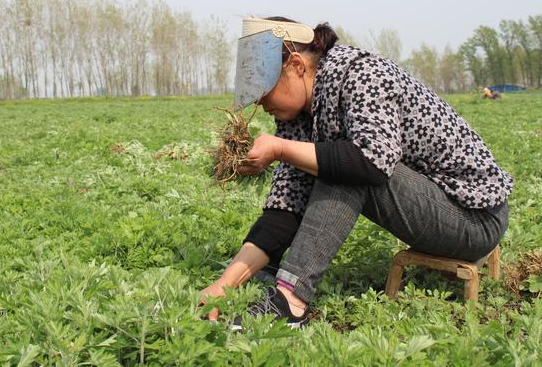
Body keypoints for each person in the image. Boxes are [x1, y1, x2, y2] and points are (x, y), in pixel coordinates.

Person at [200, 17, 513, 329]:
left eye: (264, 90)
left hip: (474, 220)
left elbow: (370, 161)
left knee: (348, 164)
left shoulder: (361, 75)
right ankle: (273, 277)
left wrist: (281, 149)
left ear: (296, 65)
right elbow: (287, 202)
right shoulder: (300, 114)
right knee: (333, 159)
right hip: (436, 209)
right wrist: (228, 282)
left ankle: (291, 303)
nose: (260, 102)